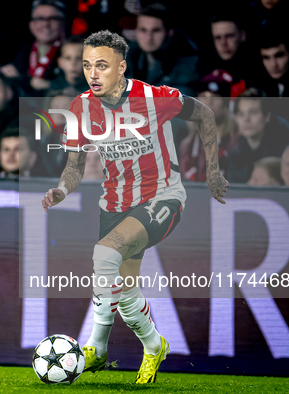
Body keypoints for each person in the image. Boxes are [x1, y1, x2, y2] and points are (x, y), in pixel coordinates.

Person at [41, 30, 228, 384]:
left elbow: (204, 114)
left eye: (101, 65)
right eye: (86, 66)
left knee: (104, 253)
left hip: (163, 197)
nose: (92, 74)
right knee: (124, 290)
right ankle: (155, 345)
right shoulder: (81, 107)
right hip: (114, 203)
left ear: (122, 67)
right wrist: (61, 190)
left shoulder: (154, 97)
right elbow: (74, 166)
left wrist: (213, 172)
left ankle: (96, 347)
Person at [125, 3, 201, 96]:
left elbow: (180, 102)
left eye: (156, 30)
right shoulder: (128, 54)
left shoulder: (188, 60)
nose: (149, 37)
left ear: (169, 32)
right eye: (143, 30)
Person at [179, 70, 238, 182]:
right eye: (204, 96)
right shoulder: (187, 144)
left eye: (215, 97)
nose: (209, 102)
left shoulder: (234, 141)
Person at [226, 88, 289, 183]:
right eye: (241, 114)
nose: (246, 119)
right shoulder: (233, 149)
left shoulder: (283, 148)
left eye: (253, 112)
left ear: (267, 117)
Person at [1, 0, 67, 93]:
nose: (46, 24)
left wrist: (50, 85)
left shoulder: (77, 52)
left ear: (63, 23)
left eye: (53, 18)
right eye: (40, 18)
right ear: (31, 25)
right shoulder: (20, 51)